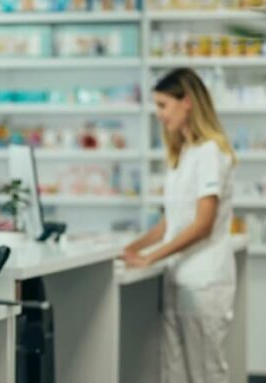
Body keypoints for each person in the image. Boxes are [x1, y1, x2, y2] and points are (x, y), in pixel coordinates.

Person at [122, 68, 237, 383]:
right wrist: (132, 248)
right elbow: (170, 222)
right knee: (174, 370)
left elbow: (203, 224)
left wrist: (150, 257)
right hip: (180, 277)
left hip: (204, 279)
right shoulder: (184, 152)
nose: (159, 115)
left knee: (206, 372)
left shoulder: (210, 152)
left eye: (163, 105)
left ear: (186, 102)